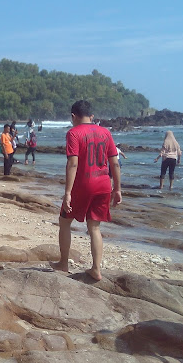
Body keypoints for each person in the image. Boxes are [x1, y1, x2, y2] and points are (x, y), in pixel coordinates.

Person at [50, 100, 122, 282]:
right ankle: (96, 269)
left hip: (83, 184)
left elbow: (73, 163)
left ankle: (63, 263)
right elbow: (114, 162)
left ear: (73, 116)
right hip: (104, 184)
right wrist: (118, 189)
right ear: (91, 116)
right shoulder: (106, 132)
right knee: (95, 227)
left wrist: (67, 192)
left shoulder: (73, 133)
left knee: (65, 221)